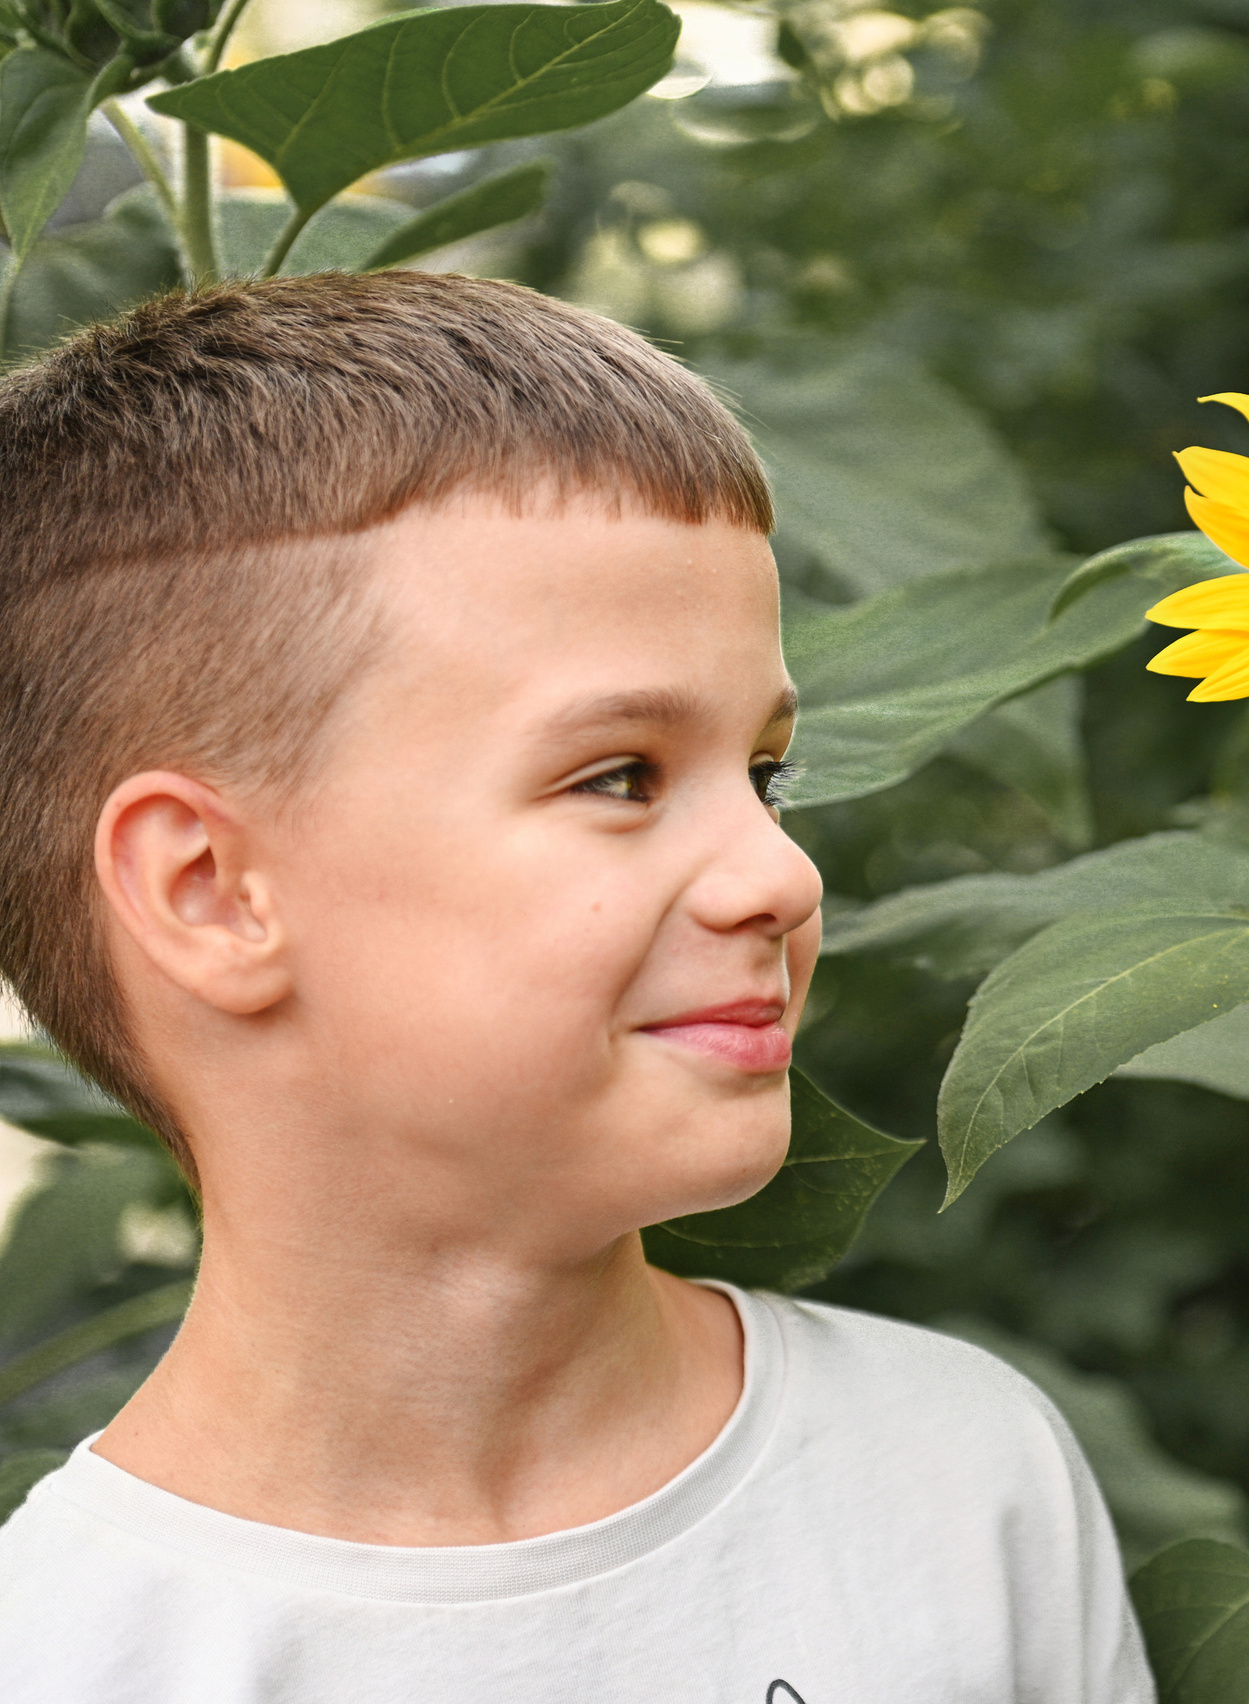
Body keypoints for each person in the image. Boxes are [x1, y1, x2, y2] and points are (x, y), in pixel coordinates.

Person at [0, 272, 1153, 1703]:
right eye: (618, 776)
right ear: (210, 893)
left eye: (767, 773)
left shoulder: (963, 1483)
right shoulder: (72, 1656)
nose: (781, 879)